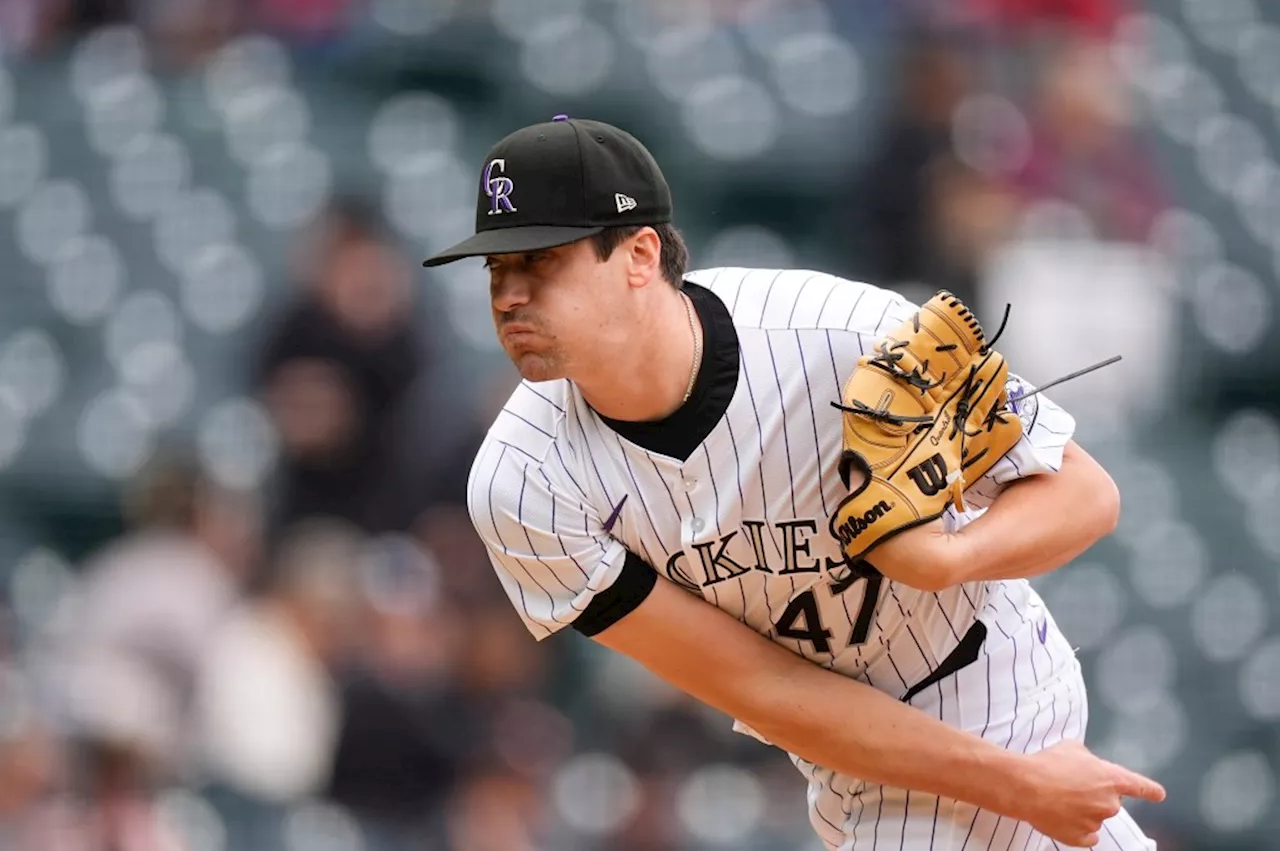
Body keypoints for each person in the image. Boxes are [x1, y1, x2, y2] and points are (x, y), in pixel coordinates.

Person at [421, 115, 1165, 849]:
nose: (508, 294)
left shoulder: (841, 336)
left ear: (640, 253)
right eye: (496, 267)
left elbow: (1086, 493)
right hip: (851, 755)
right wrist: (1018, 784)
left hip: (990, 678)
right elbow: (764, 690)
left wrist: (946, 560)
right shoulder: (522, 483)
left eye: (539, 260)